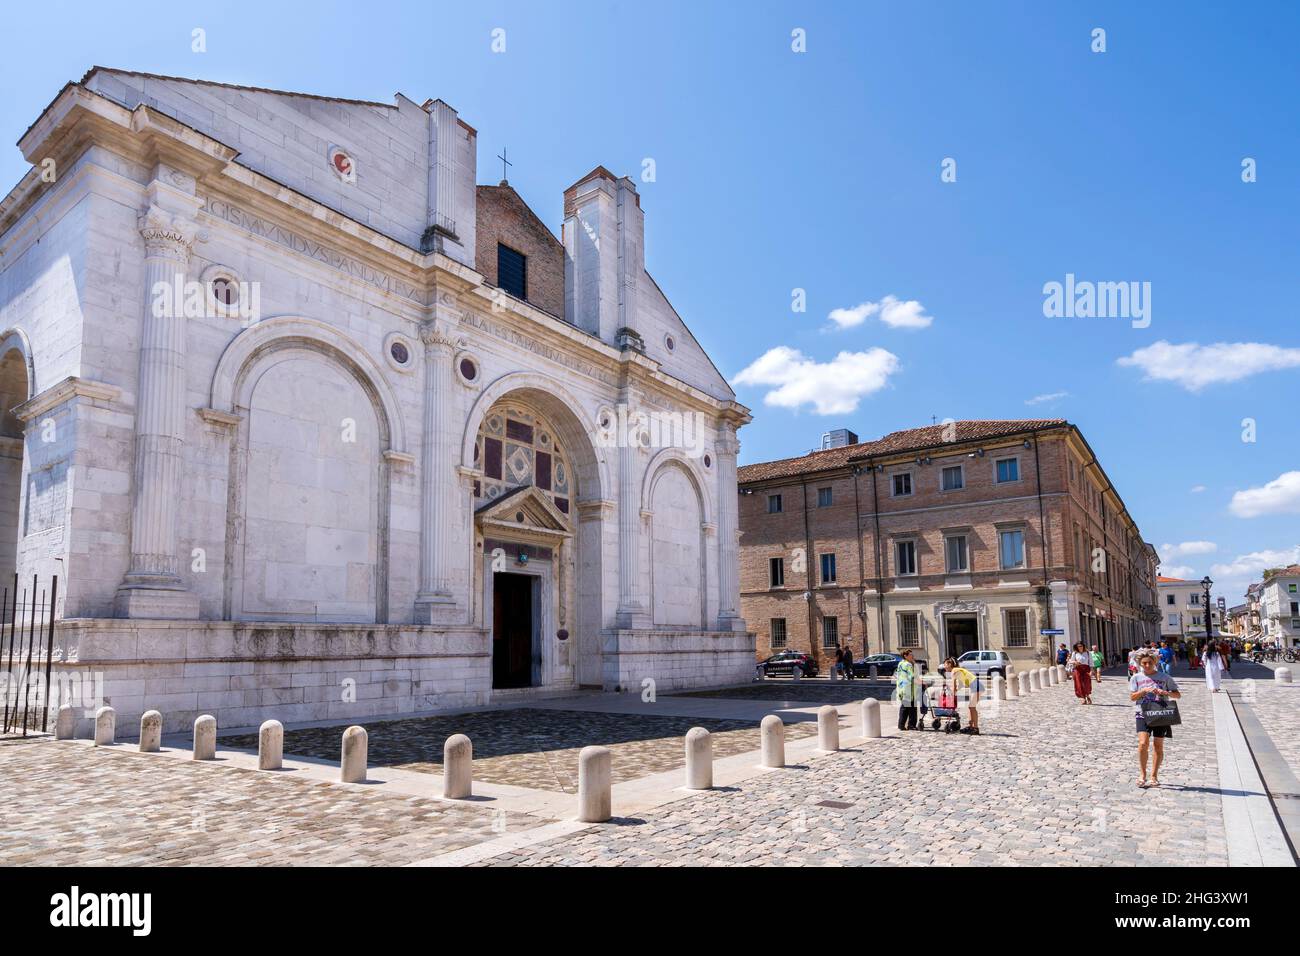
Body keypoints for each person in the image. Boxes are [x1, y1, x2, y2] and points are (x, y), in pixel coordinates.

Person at [1130, 651, 1181, 789]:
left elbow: (1177, 695)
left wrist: (1165, 693)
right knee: (1142, 744)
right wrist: (1144, 691)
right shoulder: (1136, 678)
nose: (1147, 665)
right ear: (1140, 664)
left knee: (1158, 746)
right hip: (1142, 713)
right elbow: (1132, 697)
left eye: (1150, 663)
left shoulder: (1165, 677)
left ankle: (1154, 776)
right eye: (1144, 663)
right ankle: (1142, 774)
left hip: (1160, 713)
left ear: (1155, 663)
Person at [943, 657, 980, 735]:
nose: (944, 666)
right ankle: (971, 727)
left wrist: (952, 695)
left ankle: (975, 728)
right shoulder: (958, 670)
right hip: (975, 687)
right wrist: (954, 691)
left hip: (977, 687)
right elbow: (959, 685)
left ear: (949, 664)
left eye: (945, 664)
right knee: (970, 707)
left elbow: (954, 684)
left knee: (972, 707)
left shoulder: (954, 671)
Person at [894, 649, 920, 731]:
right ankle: (911, 725)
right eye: (910, 655)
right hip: (909, 689)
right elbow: (912, 677)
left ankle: (901, 725)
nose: (912, 656)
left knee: (904, 708)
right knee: (912, 708)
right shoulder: (908, 665)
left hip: (902, 688)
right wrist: (922, 682)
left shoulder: (900, 663)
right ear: (905, 656)